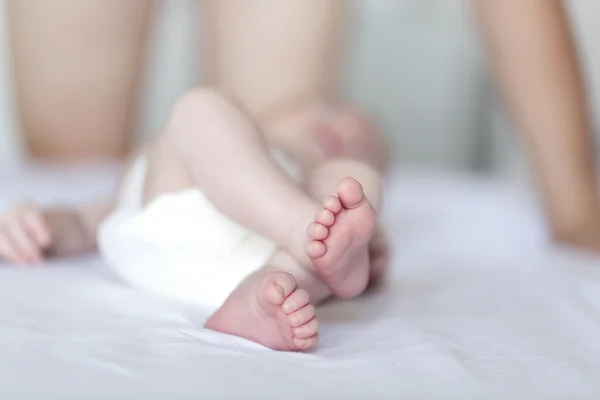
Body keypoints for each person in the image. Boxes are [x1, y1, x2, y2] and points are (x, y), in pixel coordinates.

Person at [0, 88, 387, 351]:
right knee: (202, 111)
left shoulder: (318, 181)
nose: (350, 131)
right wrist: (41, 227)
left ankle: (259, 295)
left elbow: (348, 212)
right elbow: (86, 223)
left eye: (367, 145)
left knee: (355, 182)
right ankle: (307, 241)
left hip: (267, 261)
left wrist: (369, 247)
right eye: (334, 112)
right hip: (171, 233)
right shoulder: (231, 143)